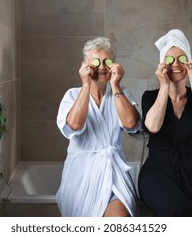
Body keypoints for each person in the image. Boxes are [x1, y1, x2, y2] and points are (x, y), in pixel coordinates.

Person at [138, 29, 192, 217]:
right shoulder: (150, 97)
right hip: (158, 173)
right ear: (162, 65)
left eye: (182, 59)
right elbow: (153, 126)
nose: (176, 64)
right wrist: (165, 86)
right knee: (174, 210)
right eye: (169, 60)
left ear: (189, 62)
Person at [56, 37, 140, 217]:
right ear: (84, 65)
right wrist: (86, 84)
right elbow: (75, 126)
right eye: (95, 62)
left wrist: (115, 85)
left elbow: (131, 124)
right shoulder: (72, 95)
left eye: (107, 61)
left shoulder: (121, 93)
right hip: (81, 173)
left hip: (113, 172)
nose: (101, 67)